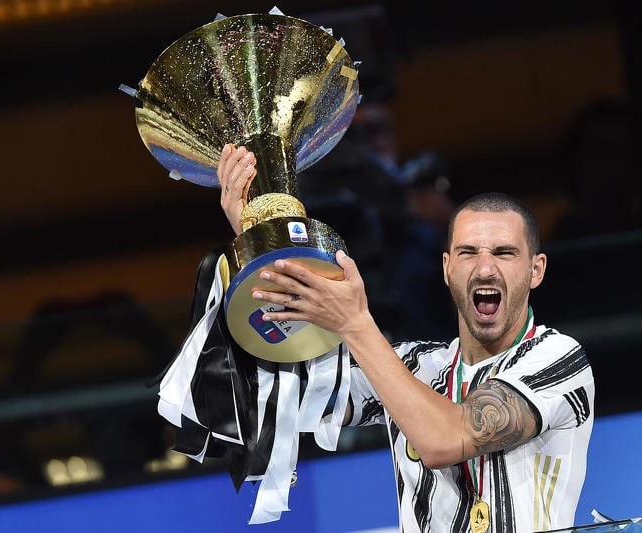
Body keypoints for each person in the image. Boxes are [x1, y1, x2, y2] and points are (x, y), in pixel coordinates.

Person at [215, 144, 596, 532]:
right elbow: (290, 391)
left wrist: (357, 324)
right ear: (447, 268)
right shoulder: (415, 365)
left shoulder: (558, 360)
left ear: (536, 270)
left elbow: (444, 439)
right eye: (467, 252)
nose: (484, 269)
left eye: (504, 253)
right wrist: (260, 245)